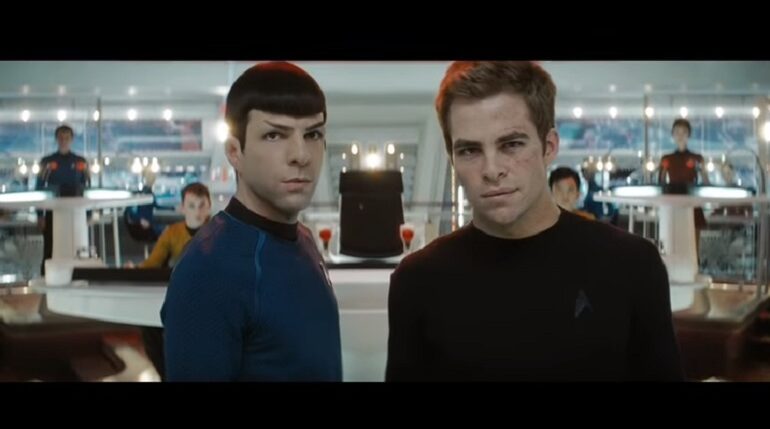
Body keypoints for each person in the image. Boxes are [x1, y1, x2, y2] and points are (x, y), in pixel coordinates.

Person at [385, 61, 684, 381]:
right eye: (470, 151)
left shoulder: (632, 265)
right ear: (453, 159)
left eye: (511, 145)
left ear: (549, 147)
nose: (492, 170)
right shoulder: (417, 280)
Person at [161, 62, 342, 381]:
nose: (301, 155)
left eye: (312, 134)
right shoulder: (208, 271)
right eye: (274, 135)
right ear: (235, 152)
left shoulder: (303, 238)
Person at [36, 125, 90, 273]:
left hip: (76, 212)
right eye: (61, 138)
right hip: (53, 211)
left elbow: (86, 188)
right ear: (56, 139)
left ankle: (77, 275)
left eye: (67, 138)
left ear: (71, 139)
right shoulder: (47, 162)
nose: (64, 141)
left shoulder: (80, 162)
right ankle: (46, 277)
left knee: (77, 246)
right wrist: (40, 215)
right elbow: (39, 189)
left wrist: (89, 213)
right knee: (50, 247)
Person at [127, 182, 212, 269]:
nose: (197, 212)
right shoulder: (171, 233)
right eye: (191, 206)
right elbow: (153, 262)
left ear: (209, 206)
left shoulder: (218, 235)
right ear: (182, 208)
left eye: (202, 206)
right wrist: (135, 269)